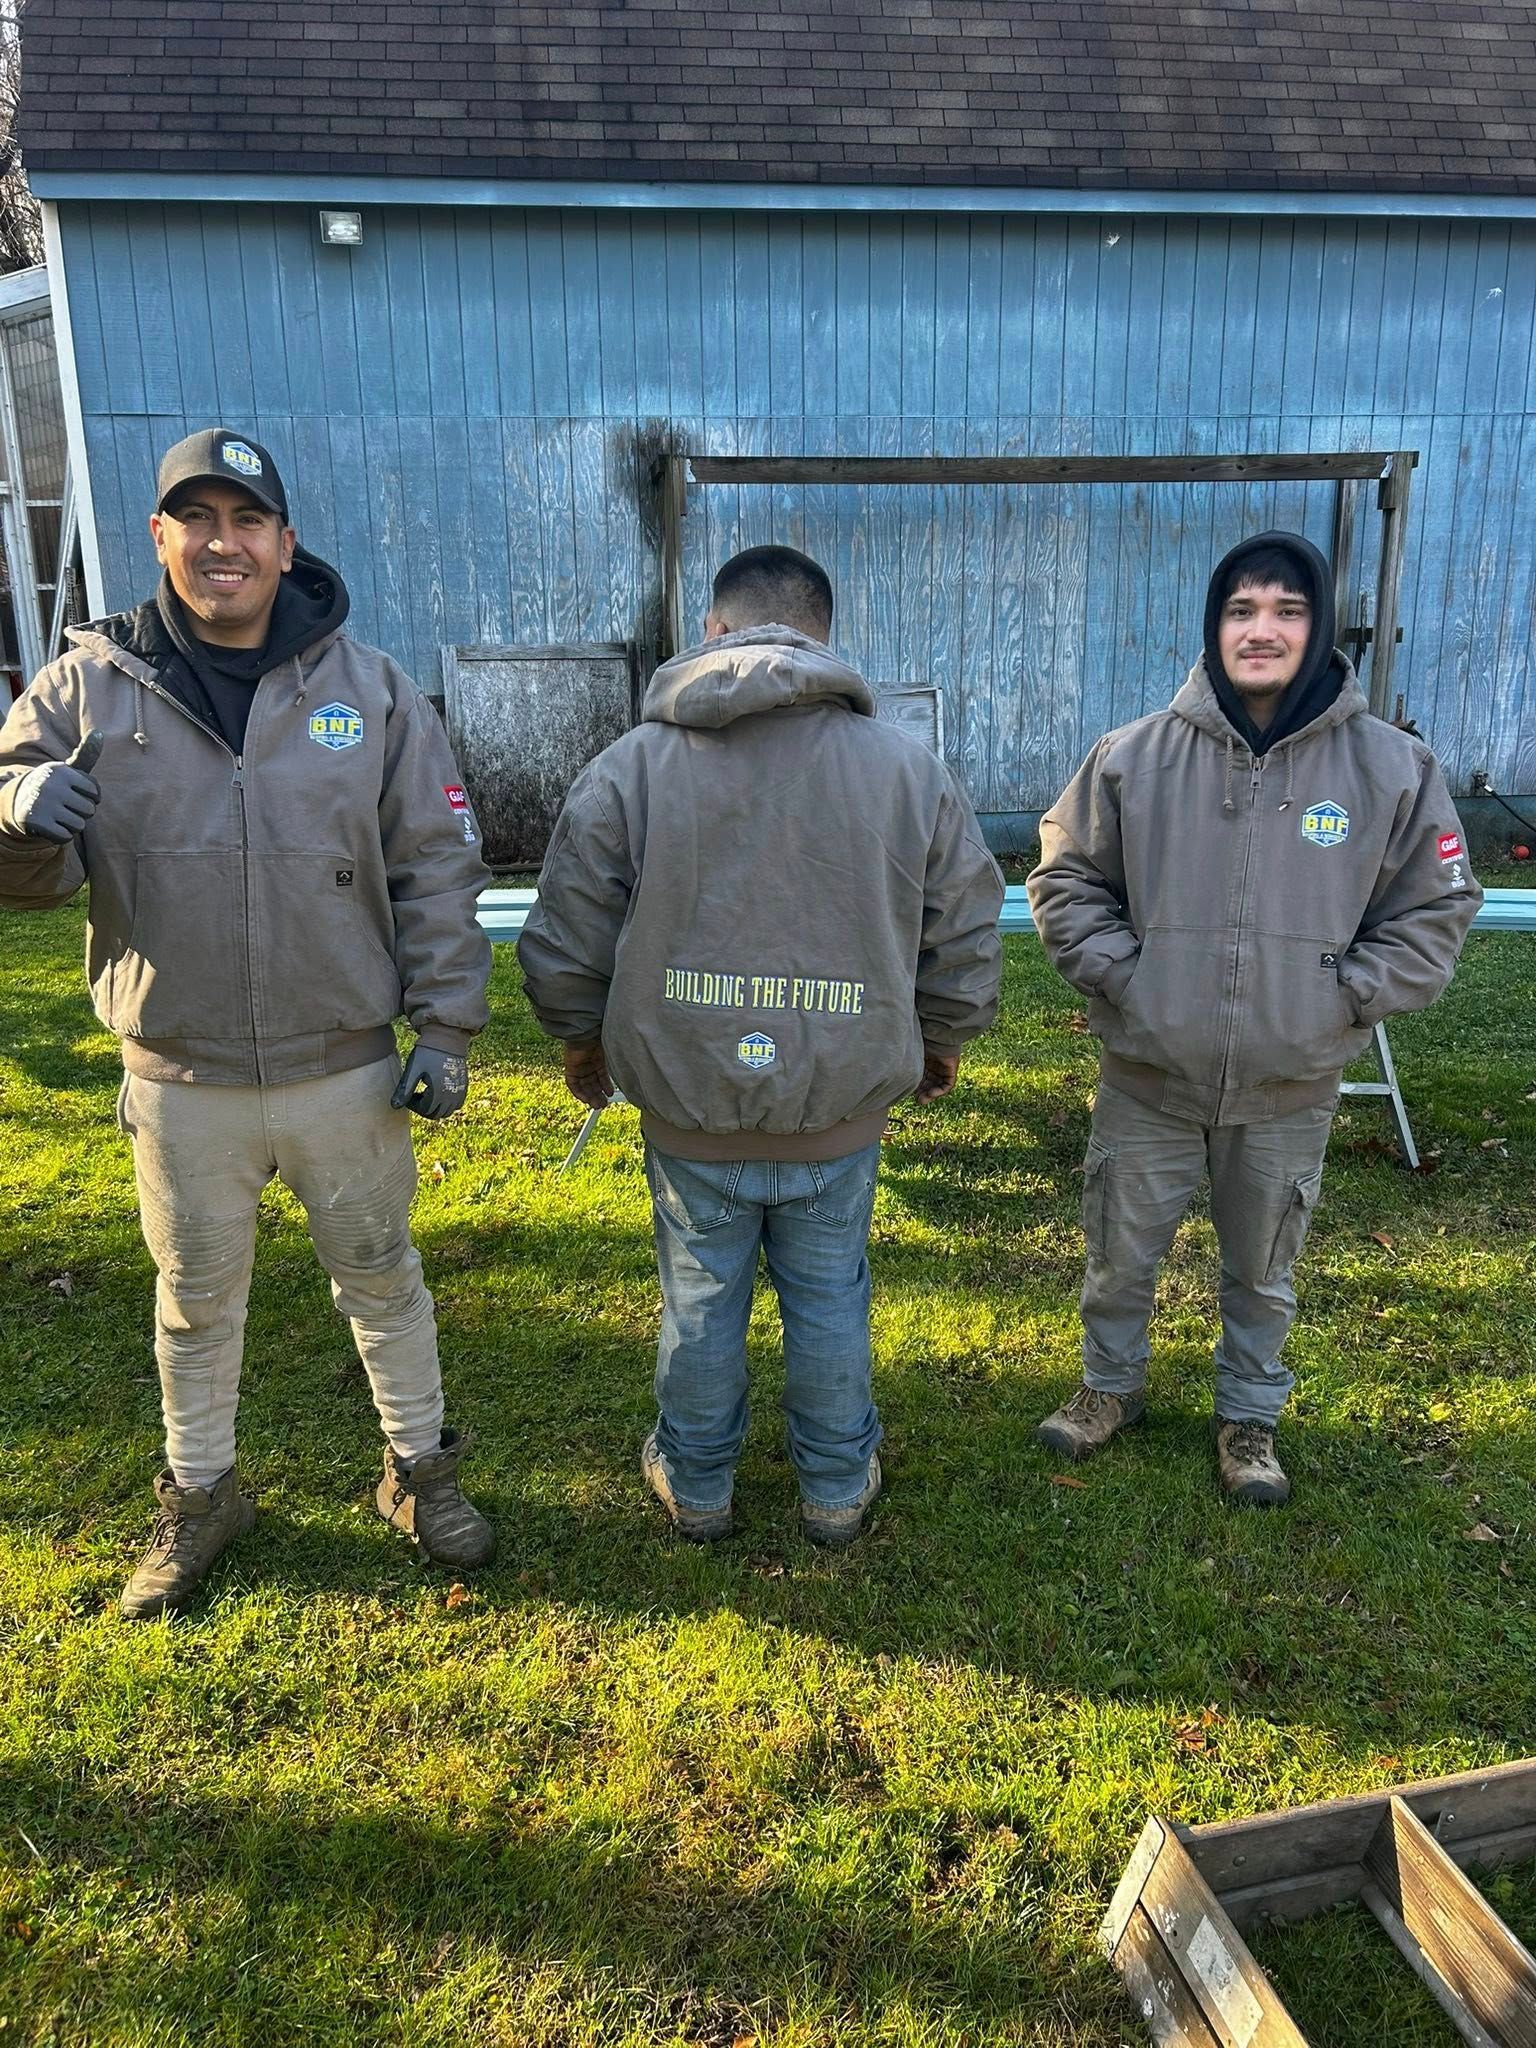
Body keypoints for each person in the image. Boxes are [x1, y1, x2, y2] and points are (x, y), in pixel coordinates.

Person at [0, 427, 496, 1617]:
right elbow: (27, 882)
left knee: (383, 1277)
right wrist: (15, 809)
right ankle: (203, 1494)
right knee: (194, 1299)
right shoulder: (83, 688)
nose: (224, 544)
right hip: (182, 1073)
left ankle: (421, 1473)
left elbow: (436, 866)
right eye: (198, 520)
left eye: (247, 521)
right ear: (159, 536)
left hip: (344, 1069)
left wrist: (446, 1028)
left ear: (284, 542)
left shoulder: (369, 689)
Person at [519, 545, 1004, 1545]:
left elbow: (567, 929)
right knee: (829, 1297)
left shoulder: (631, 767)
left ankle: (698, 1485)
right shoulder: (906, 769)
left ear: (712, 630)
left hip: (690, 1107)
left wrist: (578, 1040)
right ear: (824, 638)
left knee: (700, 1297)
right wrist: (943, 1036)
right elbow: (962, 924)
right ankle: (836, 1487)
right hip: (839, 1108)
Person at [1027, 530, 1481, 1505]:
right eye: (1241, 610)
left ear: (1319, 628)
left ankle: (1248, 1414)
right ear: (1215, 625)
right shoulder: (1132, 756)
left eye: (1286, 610)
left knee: (1264, 1267)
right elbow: (1065, 877)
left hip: (1288, 1085)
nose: (1261, 629)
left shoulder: (1392, 768)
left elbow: (1437, 905)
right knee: (1118, 1252)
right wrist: (1127, 977)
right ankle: (1110, 1386)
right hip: (1148, 1076)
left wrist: (1343, 996)